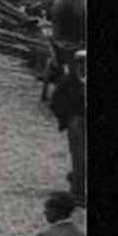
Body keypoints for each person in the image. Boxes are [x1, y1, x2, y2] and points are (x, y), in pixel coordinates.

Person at [48, 50, 86, 206]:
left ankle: (75, 179)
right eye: (82, 62)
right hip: (77, 120)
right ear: (77, 63)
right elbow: (55, 101)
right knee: (79, 156)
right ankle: (78, 193)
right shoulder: (68, 80)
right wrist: (67, 119)